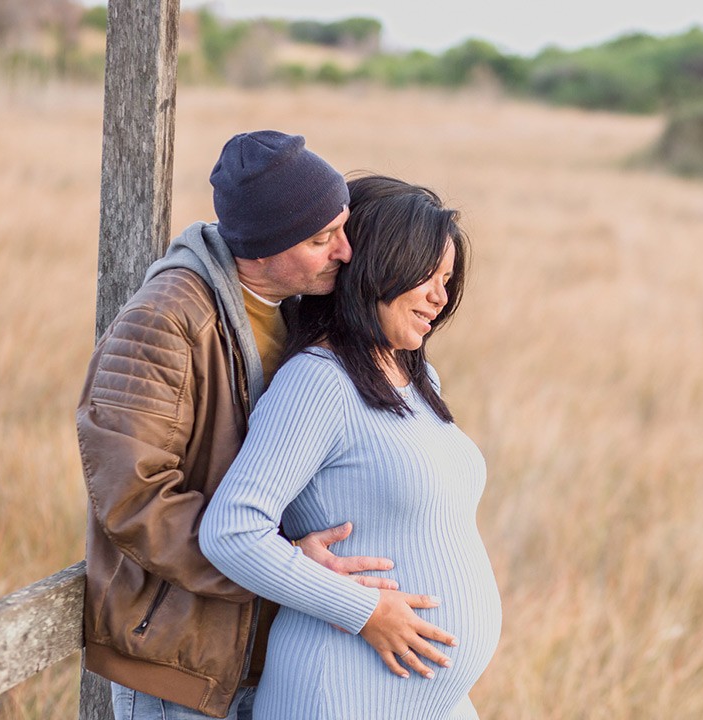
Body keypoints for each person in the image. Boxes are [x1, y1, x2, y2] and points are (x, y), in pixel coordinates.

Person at [77, 131, 408, 720]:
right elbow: (134, 500)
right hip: (180, 662)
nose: (345, 252)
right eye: (321, 238)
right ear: (261, 247)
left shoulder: (297, 309)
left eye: (342, 227)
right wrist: (275, 564)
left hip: (267, 651)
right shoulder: (164, 321)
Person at [200, 174, 502, 719]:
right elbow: (232, 531)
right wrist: (363, 610)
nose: (441, 297)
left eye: (448, 279)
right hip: (337, 692)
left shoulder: (417, 375)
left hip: (424, 699)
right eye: (426, 277)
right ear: (376, 268)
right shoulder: (318, 381)